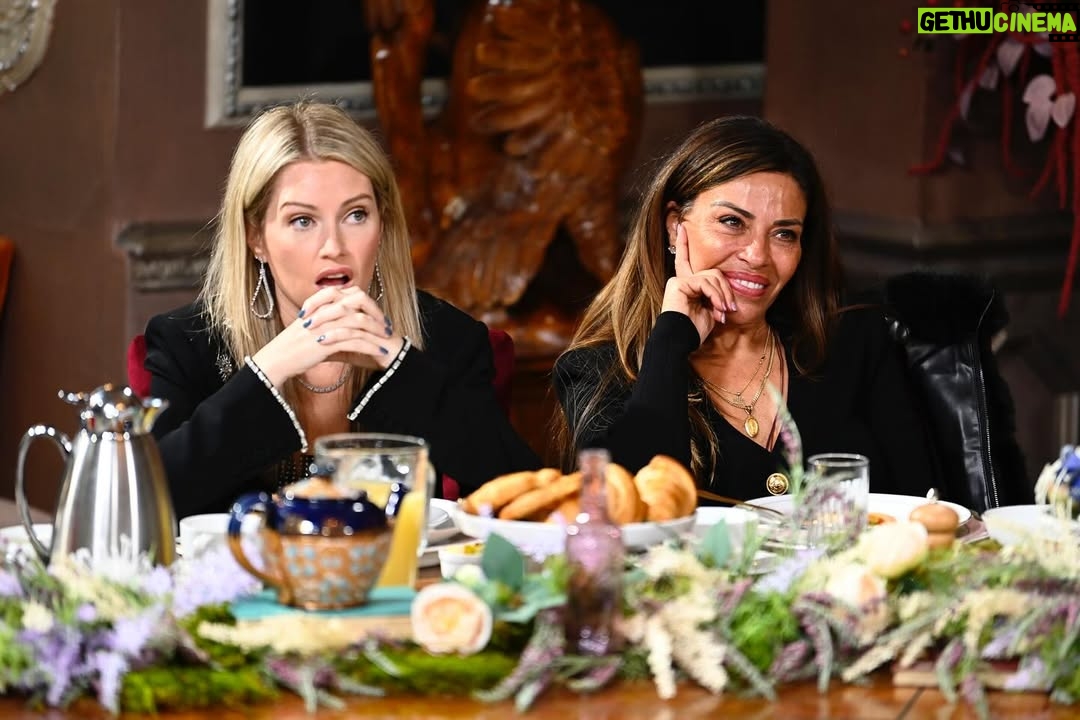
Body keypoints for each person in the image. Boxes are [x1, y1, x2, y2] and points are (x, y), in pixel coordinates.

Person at [145, 101, 541, 518]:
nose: (334, 247)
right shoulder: (188, 342)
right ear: (255, 237)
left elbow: (528, 500)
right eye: (302, 221)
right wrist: (269, 370)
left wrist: (398, 364)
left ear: (382, 224)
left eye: (355, 215)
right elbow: (146, 501)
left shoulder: (448, 338)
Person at [552, 116, 938, 502]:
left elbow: (925, 508)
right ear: (674, 226)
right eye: (732, 222)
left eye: (784, 234)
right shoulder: (598, 369)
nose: (757, 256)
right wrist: (671, 339)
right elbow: (624, 511)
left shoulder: (855, 341)